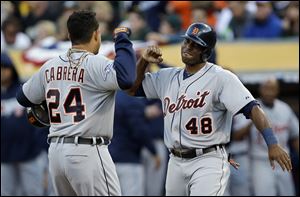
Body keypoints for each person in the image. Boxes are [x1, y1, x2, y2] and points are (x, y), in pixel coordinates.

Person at [127, 22, 292, 196]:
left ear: (206, 52)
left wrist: (272, 143)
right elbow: (131, 89)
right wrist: (143, 61)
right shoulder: (166, 76)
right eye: (187, 41)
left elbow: (253, 109)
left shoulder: (221, 78)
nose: (188, 47)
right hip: (175, 160)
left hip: (208, 159)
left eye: (195, 45)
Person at [16, 10, 136, 196]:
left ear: (69, 35)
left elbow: (23, 98)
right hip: (87, 150)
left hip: (56, 153)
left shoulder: (50, 65)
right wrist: (122, 37)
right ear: (96, 34)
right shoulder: (95, 63)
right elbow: (127, 78)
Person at [233, 77, 298, 196]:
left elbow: (296, 135)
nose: (269, 92)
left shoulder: (284, 108)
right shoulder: (250, 108)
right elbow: (236, 136)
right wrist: (255, 121)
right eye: (266, 88)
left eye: (272, 89)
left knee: (288, 192)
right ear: (260, 89)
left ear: (277, 91)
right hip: (260, 161)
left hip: (283, 159)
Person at [1, 53, 45, 196]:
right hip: (4, 155)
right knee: (6, 193)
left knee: (33, 192)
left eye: (4, 67)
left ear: (11, 68)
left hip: (29, 152)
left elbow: (41, 117)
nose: (2, 71)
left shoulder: (24, 89)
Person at [109, 90, 161, 196]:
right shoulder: (131, 100)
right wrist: (154, 152)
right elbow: (140, 131)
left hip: (109, 159)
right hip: (129, 160)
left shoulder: (111, 97)